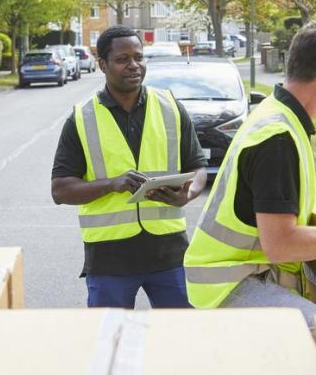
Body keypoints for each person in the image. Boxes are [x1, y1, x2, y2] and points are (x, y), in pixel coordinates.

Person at [183, 21, 316, 324]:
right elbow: (282, 245)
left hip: (243, 274)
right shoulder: (277, 137)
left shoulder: (276, 114)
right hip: (229, 284)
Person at [51, 26, 209, 308]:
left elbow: (198, 169)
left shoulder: (170, 107)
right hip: (109, 261)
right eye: (123, 59)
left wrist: (188, 193)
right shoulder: (81, 118)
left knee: (183, 340)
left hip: (169, 254)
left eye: (139, 57)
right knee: (110, 342)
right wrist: (112, 184)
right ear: (102, 64)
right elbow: (60, 190)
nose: (133, 65)